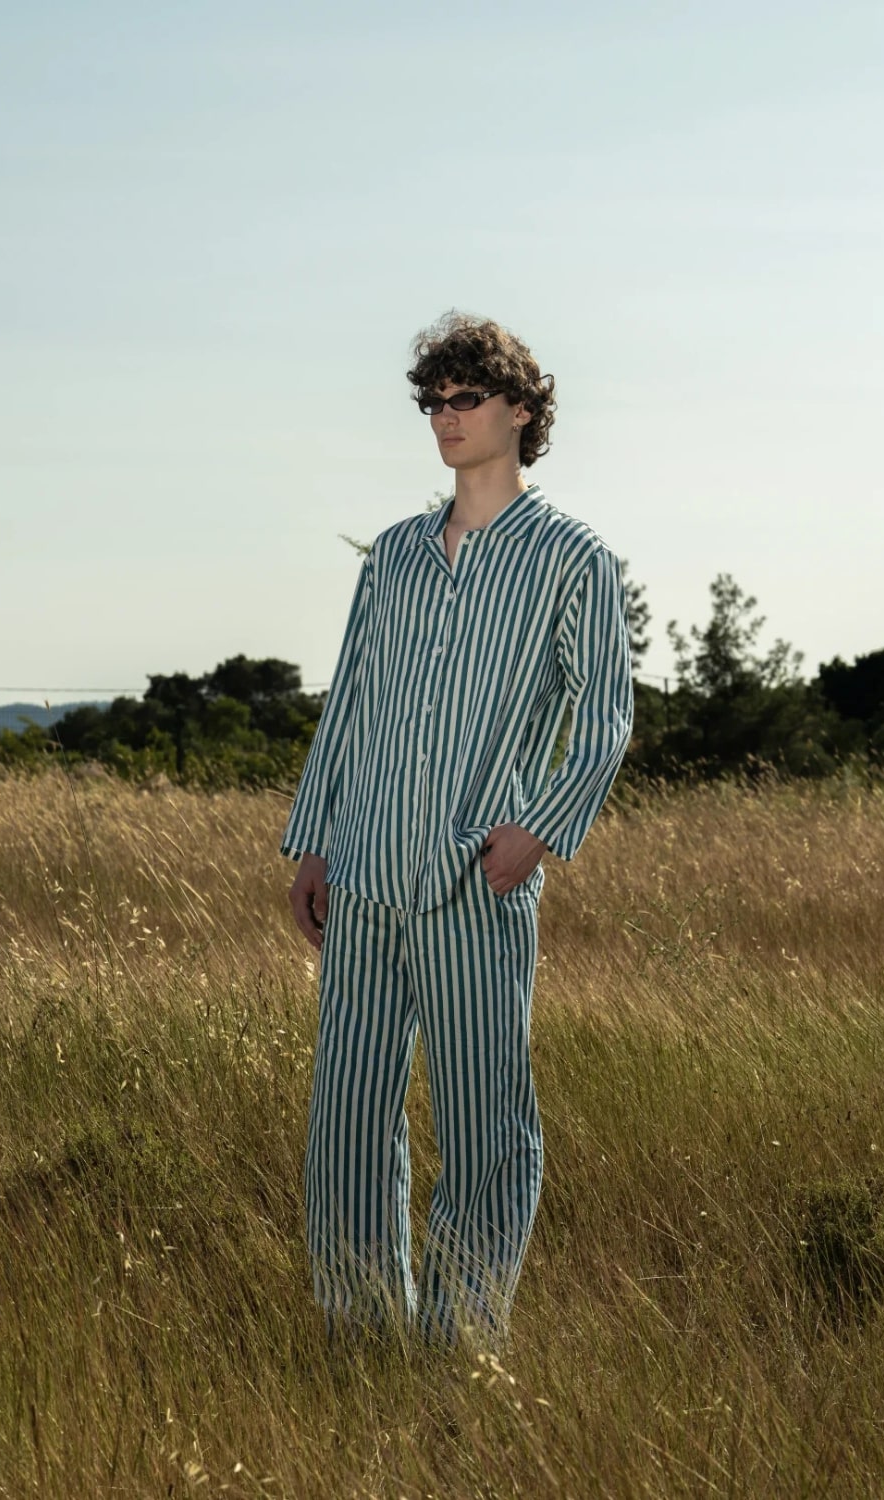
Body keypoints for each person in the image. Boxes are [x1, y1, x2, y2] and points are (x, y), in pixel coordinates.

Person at [283, 311, 633, 1347]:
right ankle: (358, 1338)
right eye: (432, 402)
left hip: (474, 881)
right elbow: (350, 702)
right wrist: (314, 841)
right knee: (345, 1126)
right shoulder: (393, 554)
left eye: (465, 398)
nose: (445, 416)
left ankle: (459, 1346)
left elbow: (606, 718)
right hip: (363, 874)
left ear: (520, 410)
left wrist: (537, 831)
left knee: (486, 1132)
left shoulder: (572, 559)